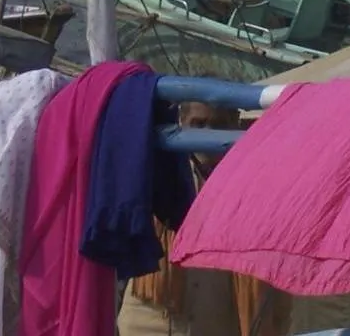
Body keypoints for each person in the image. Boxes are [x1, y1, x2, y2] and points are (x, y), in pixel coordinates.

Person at [116, 98, 293, 336]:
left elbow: (278, 272)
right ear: (182, 123)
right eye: (198, 124)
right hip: (150, 323)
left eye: (218, 124)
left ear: (234, 124)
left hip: (219, 324)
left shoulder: (258, 188)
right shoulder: (161, 173)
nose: (207, 133)